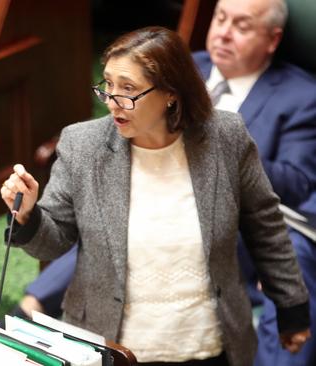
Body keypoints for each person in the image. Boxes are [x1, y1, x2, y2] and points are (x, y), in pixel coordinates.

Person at [16, 1, 316, 363]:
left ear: (172, 94)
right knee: (110, 230)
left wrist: (230, 154)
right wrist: (28, 216)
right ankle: (28, 308)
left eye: (127, 89)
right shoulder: (87, 141)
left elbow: (270, 220)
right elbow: (54, 237)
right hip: (113, 341)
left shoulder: (241, 128)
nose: (112, 103)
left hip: (208, 327)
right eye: (107, 86)